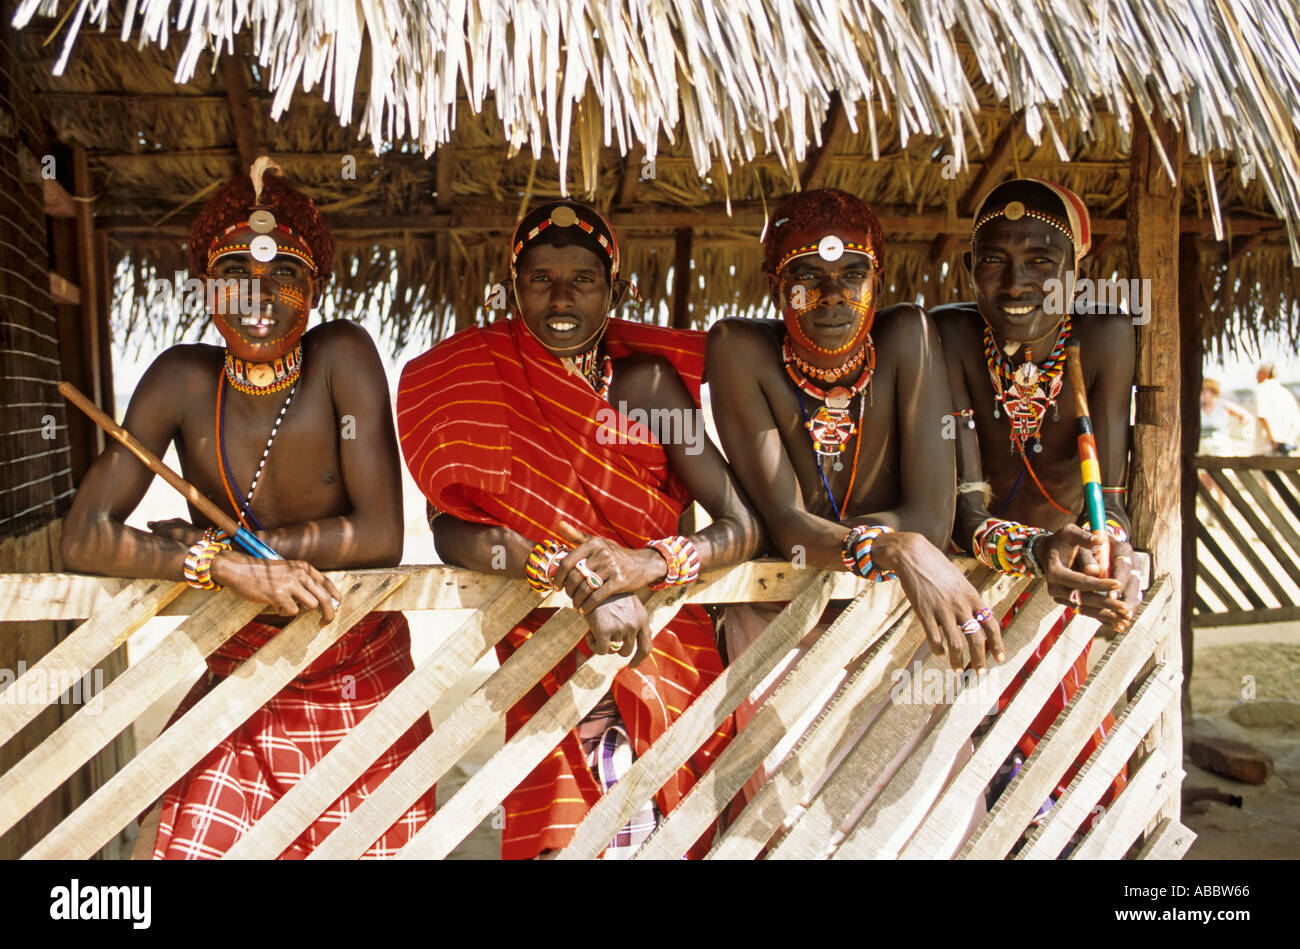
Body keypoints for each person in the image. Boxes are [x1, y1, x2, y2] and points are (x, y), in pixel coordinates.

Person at [60, 157, 434, 858]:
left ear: (313, 289)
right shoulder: (181, 379)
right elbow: (84, 537)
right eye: (235, 276)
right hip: (240, 678)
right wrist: (216, 563)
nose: (258, 298)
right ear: (207, 288)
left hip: (355, 671)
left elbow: (381, 534)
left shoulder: (342, 357)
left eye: (282, 276)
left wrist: (245, 550)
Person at [396, 200, 765, 859]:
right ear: (514, 288)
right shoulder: (479, 382)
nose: (561, 297)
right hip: (547, 647)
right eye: (541, 279)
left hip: (662, 647)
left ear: (614, 289)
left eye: (583, 279)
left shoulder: (646, 387)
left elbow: (741, 524)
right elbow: (452, 526)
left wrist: (646, 564)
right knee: (569, 838)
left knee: (672, 831)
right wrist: (568, 569)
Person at [706, 188, 1002, 808]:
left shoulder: (908, 335)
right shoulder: (738, 349)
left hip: (894, 613)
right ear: (773, 283)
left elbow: (932, 514)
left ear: (880, 277)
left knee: (921, 821)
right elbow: (786, 525)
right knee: (789, 820)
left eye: (852, 275)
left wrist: (892, 545)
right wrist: (898, 546)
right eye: (806, 276)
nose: (833, 296)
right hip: (782, 618)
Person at [932, 177, 1141, 826]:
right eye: (994, 259)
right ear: (970, 270)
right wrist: (1037, 549)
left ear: (1077, 272)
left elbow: (1109, 501)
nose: (1016, 282)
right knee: (957, 770)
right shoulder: (951, 338)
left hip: (1060, 583)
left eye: (1042, 262)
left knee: (1067, 775)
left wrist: (1122, 552)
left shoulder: (1104, 335)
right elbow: (965, 518)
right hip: (966, 583)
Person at [1254, 362, 1300, 455]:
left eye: (1258, 373)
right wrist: (1287, 441)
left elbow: (1263, 416)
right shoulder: (1286, 393)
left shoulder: (1262, 389)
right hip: (1285, 447)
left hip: (1266, 448)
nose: (1256, 376)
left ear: (1265, 373)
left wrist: (1273, 441)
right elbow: (1296, 422)